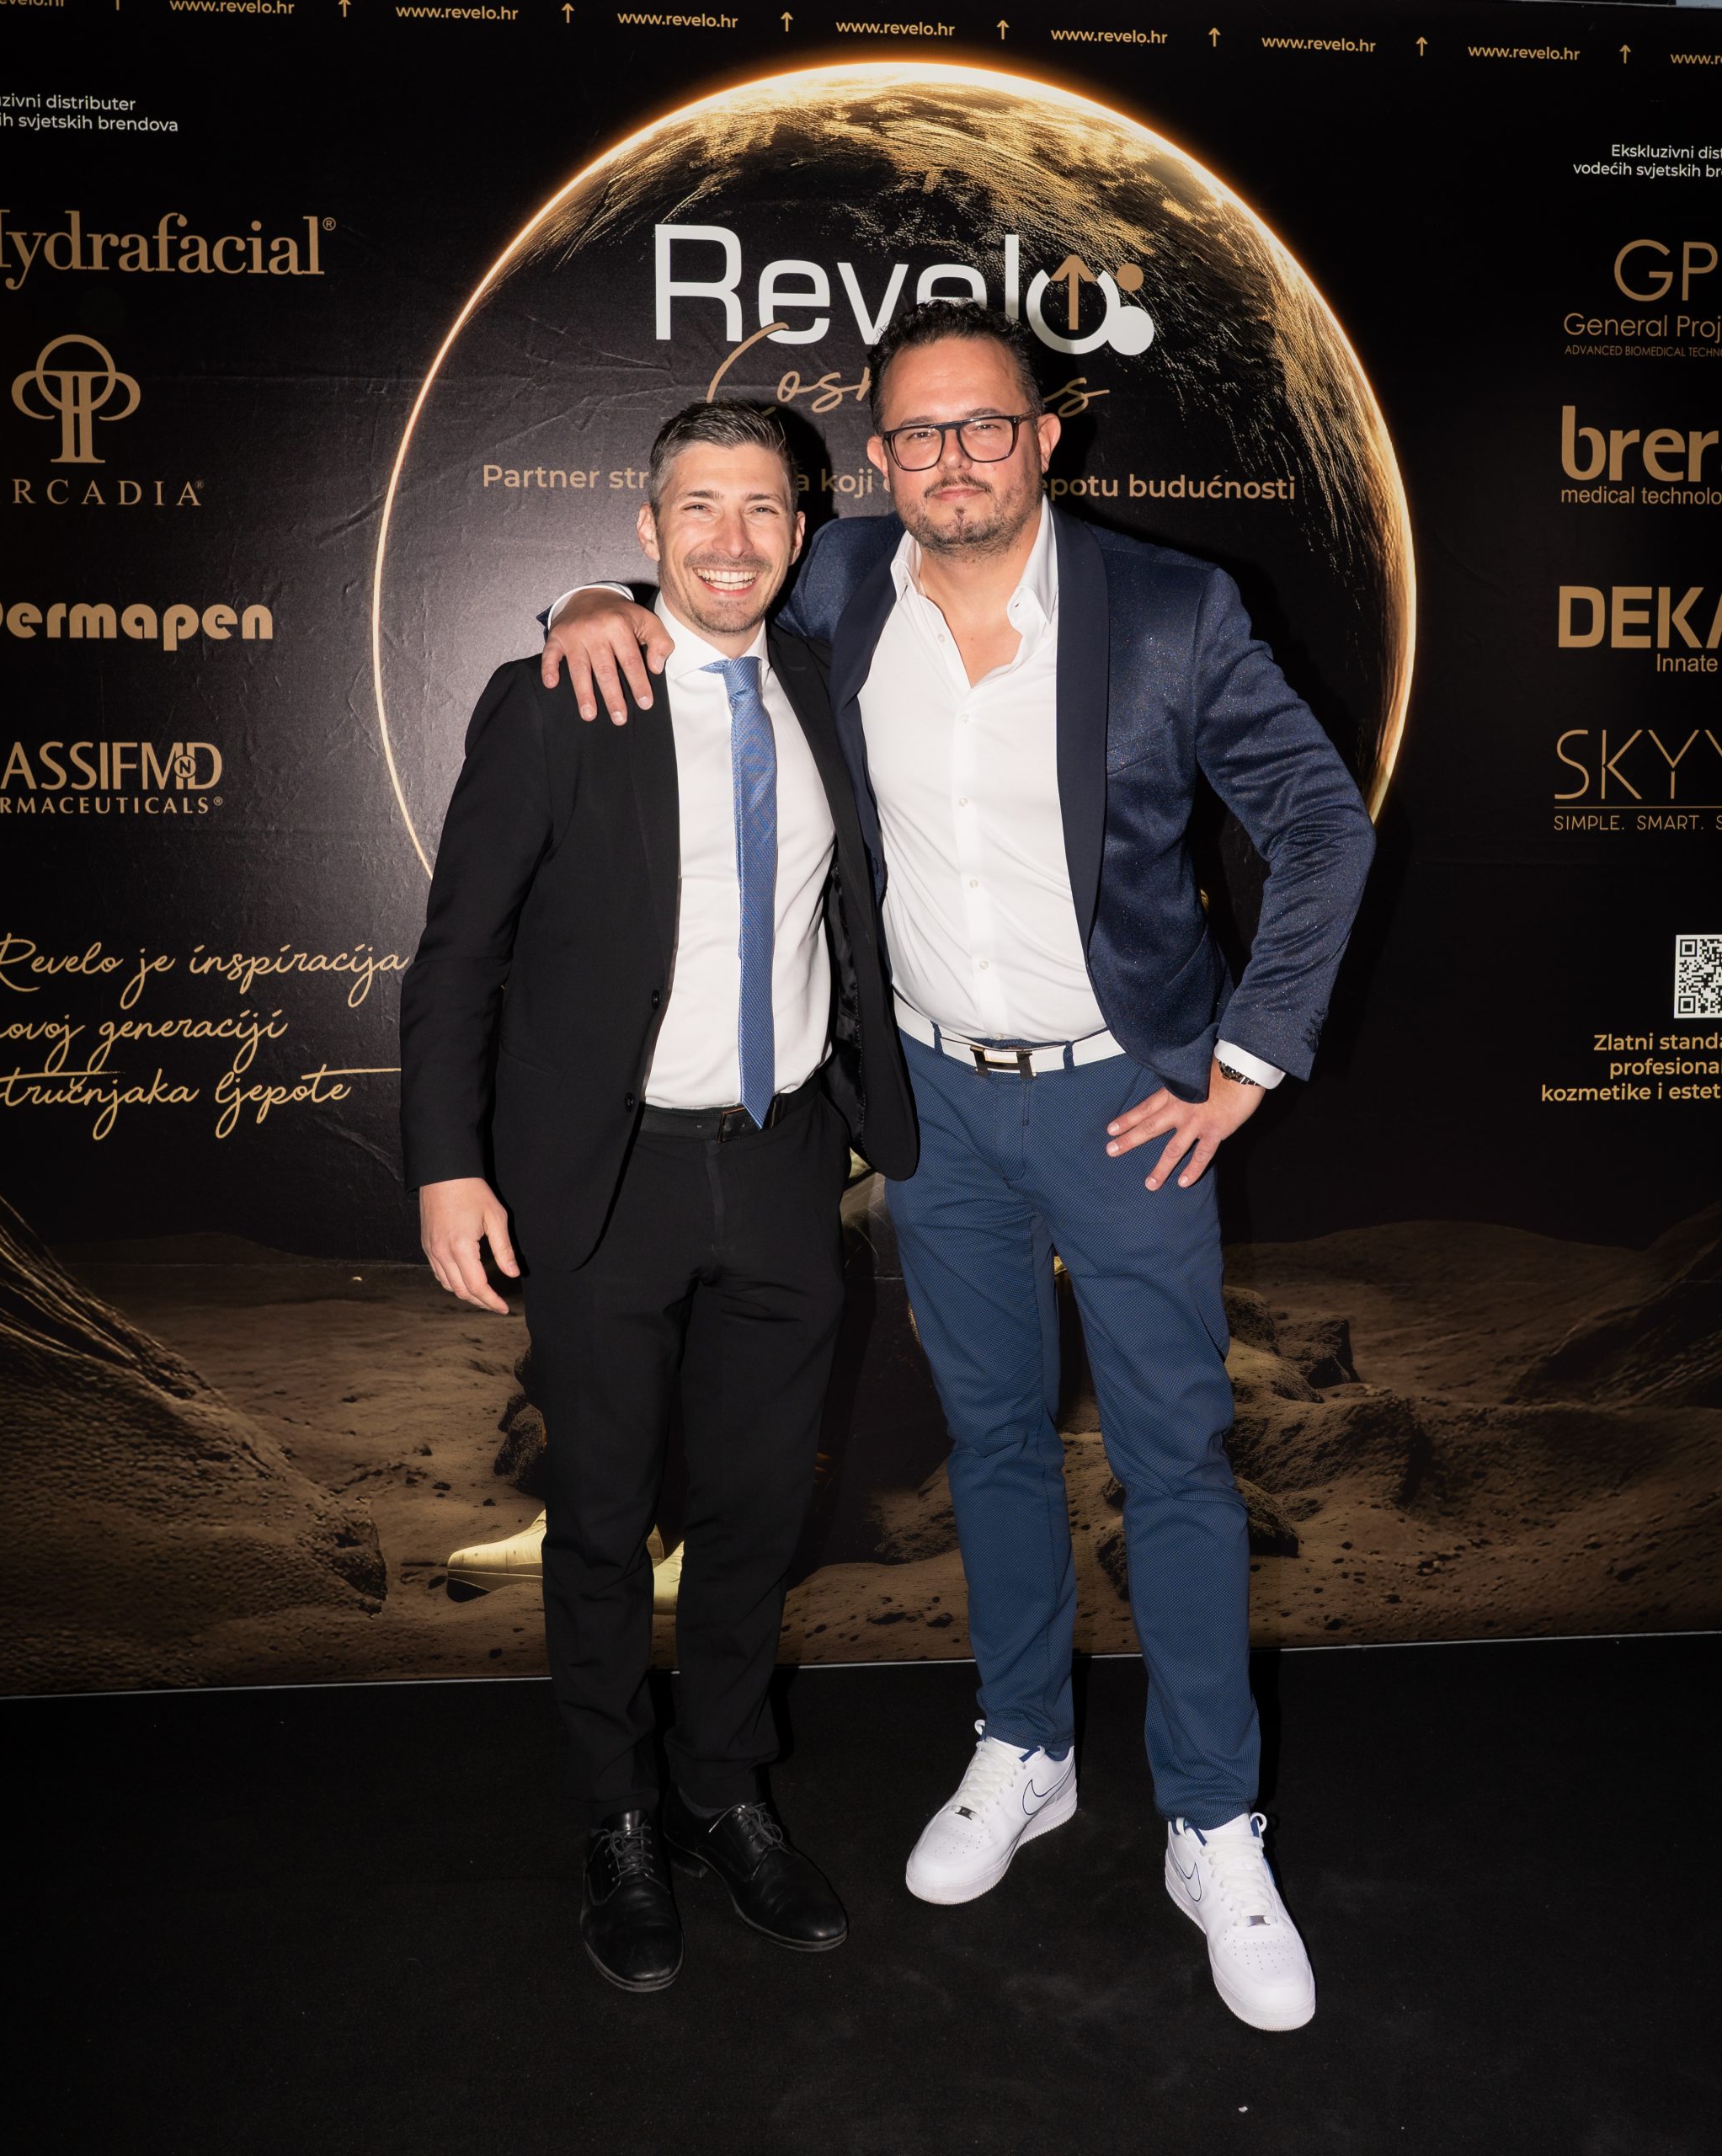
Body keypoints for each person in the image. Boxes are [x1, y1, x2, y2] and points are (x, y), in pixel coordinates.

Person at [541, 301, 1376, 2032]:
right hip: (929, 1102)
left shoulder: (1172, 608)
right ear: (882, 457)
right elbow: (691, 599)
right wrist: (580, 602)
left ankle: (1215, 1820)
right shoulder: (840, 583)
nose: (951, 458)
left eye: (983, 424)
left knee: (1174, 1460)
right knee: (990, 1437)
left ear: (1045, 436)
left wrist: (1246, 1059)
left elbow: (1318, 819)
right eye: (916, 433)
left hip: (1126, 1100)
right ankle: (1025, 1744)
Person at [400, 399, 915, 1993]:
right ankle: (615, 1813)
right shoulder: (559, 693)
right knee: (604, 1517)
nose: (731, 541)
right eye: (699, 508)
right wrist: (446, 1165)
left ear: (802, 535)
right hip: (601, 1174)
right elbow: (460, 956)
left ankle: (718, 1788)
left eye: (763, 510)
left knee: (758, 1509)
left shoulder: (828, 685)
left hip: (779, 1161)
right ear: (646, 529)